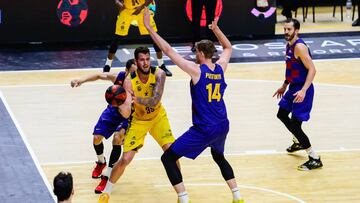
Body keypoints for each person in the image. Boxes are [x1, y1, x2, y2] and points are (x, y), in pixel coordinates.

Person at [144, 8, 244, 203]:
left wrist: (149, 28)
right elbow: (228, 48)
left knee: (168, 158)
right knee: (218, 156)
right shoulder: (221, 67)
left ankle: (183, 198)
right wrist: (215, 29)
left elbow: (168, 51)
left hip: (204, 128)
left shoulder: (197, 71)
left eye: (196, 51)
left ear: (200, 53)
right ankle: (237, 196)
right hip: (222, 125)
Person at [98, 46, 178, 203]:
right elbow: (128, 110)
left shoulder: (160, 74)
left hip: (157, 118)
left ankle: (181, 195)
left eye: (148, 59)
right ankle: (106, 193)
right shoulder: (129, 81)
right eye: (142, 60)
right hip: (139, 121)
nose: (146, 62)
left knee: (172, 154)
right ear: (136, 61)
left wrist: (137, 99)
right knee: (125, 159)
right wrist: (120, 105)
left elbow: (155, 100)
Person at [70, 59, 136, 193]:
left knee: (117, 138)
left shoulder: (140, 83)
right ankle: (101, 162)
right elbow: (99, 75)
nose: (136, 76)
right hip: (112, 111)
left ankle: (108, 174)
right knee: (96, 138)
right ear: (127, 70)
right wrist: (81, 80)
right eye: (133, 73)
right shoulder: (119, 77)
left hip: (127, 115)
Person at [273, 18, 323, 171]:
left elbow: (312, 70)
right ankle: (298, 141)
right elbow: (292, 69)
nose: (286, 32)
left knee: (295, 125)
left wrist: (303, 90)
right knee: (281, 114)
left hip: (303, 89)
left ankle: (314, 157)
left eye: (289, 29)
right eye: (285, 29)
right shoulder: (288, 45)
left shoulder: (299, 46)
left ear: (297, 30)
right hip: (293, 87)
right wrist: (284, 86)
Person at [103, 0, 172, 77]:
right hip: (127, 11)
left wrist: (141, 7)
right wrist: (119, 4)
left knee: (154, 37)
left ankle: (161, 65)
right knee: (118, 37)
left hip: (142, 9)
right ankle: (107, 65)